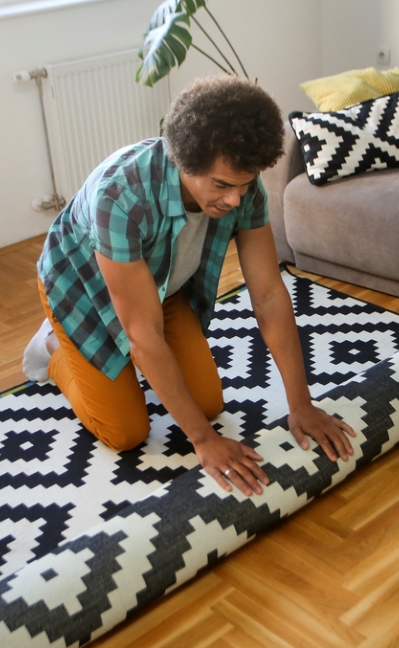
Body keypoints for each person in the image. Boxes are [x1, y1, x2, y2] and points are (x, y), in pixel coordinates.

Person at [27, 75, 354, 497]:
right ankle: (54, 347)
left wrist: (301, 404)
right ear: (185, 161)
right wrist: (204, 441)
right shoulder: (120, 195)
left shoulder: (243, 189)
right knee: (126, 432)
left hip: (162, 284)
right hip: (84, 291)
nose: (236, 199)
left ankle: (116, 367)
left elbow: (270, 295)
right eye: (221, 185)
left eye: (244, 183)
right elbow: (142, 336)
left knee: (207, 405)